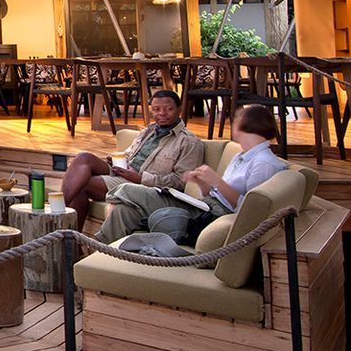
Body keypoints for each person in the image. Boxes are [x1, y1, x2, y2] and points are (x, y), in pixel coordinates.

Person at [96, 104, 291, 244]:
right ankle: (99, 256)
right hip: (206, 206)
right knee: (125, 212)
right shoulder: (242, 156)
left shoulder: (264, 163)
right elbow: (215, 195)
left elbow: (248, 209)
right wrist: (203, 182)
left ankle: (96, 240)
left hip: (214, 216)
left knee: (126, 190)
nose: (234, 127)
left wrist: (216, 179)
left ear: (247, 126)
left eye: (236, 122)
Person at [58, 88, 203, 227]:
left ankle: (59, 217)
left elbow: (180, 182)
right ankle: (60, 216)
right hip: (124, 171)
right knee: (83, 158)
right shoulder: (149, 131)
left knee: (81, 185)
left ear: (179, 109)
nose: (162, 114)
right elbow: (129, 153)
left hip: (143, 185)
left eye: (168, 109)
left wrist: (140, 178)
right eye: (156, 109)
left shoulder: (189, 142)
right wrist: (113, 160)